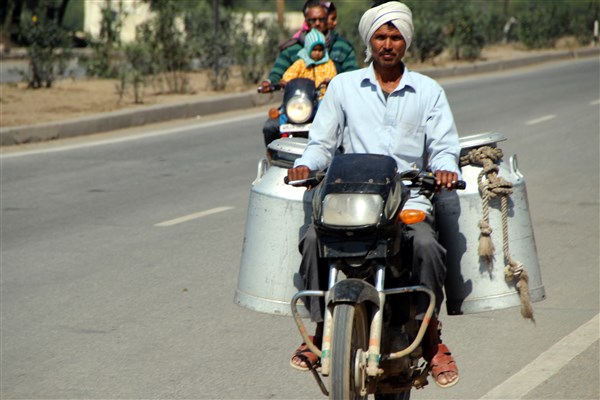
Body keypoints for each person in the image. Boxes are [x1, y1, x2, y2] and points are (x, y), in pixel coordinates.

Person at [286, 1, 460, 389]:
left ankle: (429, 336)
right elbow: (321, 143)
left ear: (405, 42)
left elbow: (444, 146)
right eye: (380, 36)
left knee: (427, 246)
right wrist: (306, 166)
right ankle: (321, 329)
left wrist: (446, 168)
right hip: (353, 201)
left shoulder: (428, 91)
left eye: (395, 37)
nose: (387, 44)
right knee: (312, 238)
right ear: (369, 41)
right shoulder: (344, 87)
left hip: (408, 199)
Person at [260, 0, 358, 146]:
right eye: (313, 20)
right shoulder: (292, 49)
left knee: (350, 126)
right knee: (271, 126)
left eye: (321, 19)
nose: (317, 23)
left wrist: (337, 84)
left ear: (328, 20)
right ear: (306, 21)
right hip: (300, 104)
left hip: (330, 104)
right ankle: (273, 155)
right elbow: (278, 72)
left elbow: (353, 74)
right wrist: (270, 83)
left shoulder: (342, 46)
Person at [280, 29, 337, 100]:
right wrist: (285, 82)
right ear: (308, 49)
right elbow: (290, 75)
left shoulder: (328, 64)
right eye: (314, 50)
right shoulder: (300, 63)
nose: (317, 53)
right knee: (286, 106)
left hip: (322, 98)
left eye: (320, 50)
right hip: (303, 97)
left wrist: (328, 81)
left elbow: (332, 76)